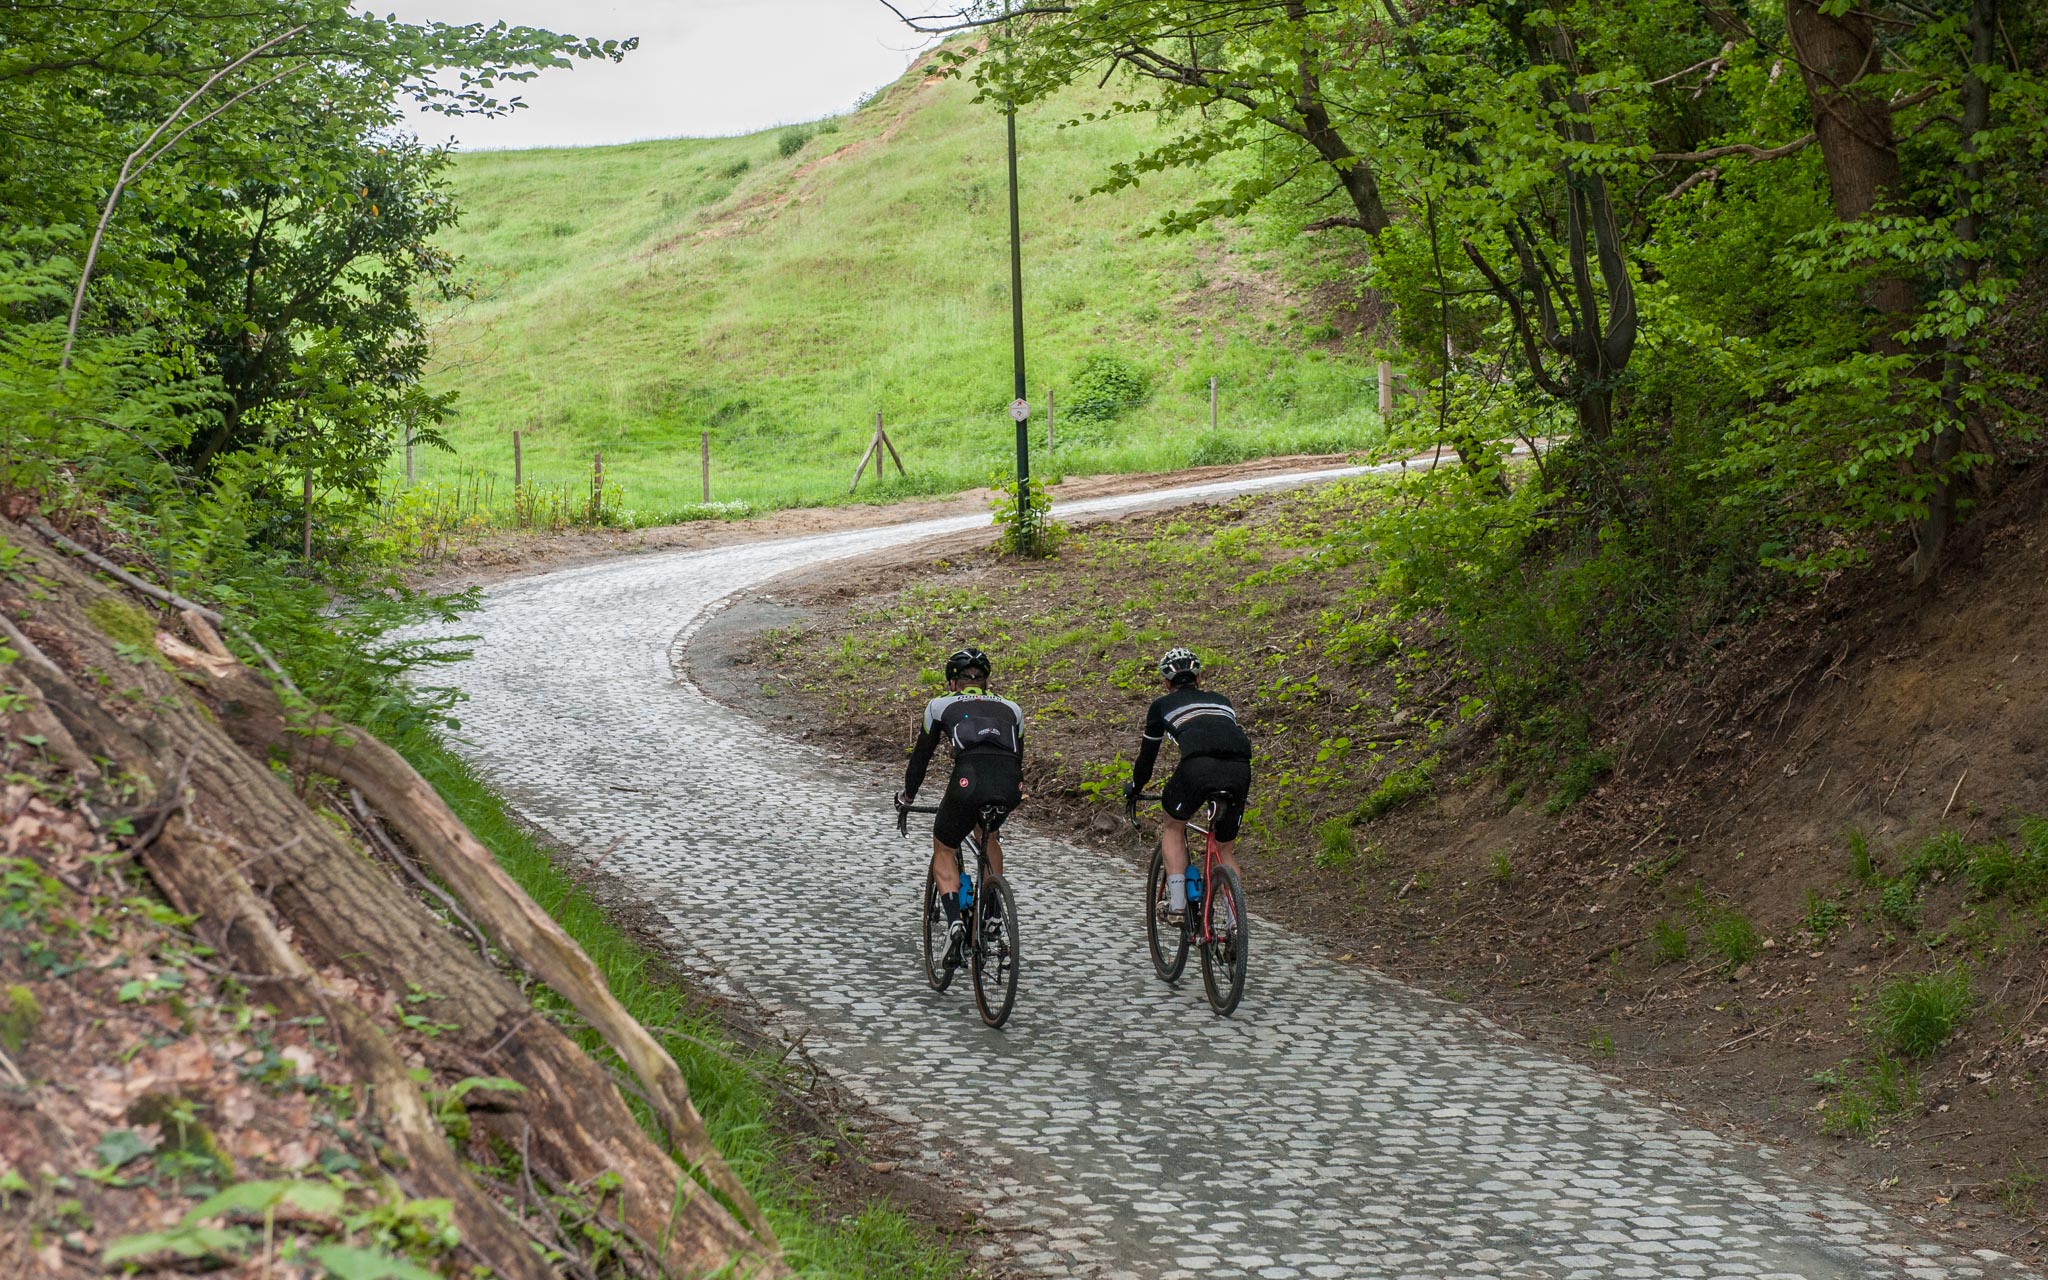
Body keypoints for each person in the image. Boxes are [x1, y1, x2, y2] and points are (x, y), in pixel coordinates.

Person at [898, 646, 1025, 965]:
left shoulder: (939, 705)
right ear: (985, 682)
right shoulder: (1012, 708)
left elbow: (921, 759)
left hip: (968, 779)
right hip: (1008, 783)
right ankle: (992, 911)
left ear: (952, 683)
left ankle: (955, 921)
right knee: (989, 837)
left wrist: (908, 797)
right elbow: (1017, 756)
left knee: (944, 844)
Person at [1124, 647, 1252, 925]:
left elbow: (1148, 757)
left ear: (1167, 683)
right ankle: (1235, 925)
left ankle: (1178, 907)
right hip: (1240, 768)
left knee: (1173, 824)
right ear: (1199, 677)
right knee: (1225, 849)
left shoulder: (1160, 706)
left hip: (1198, 766)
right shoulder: (1222, 701)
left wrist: (1135, 786)